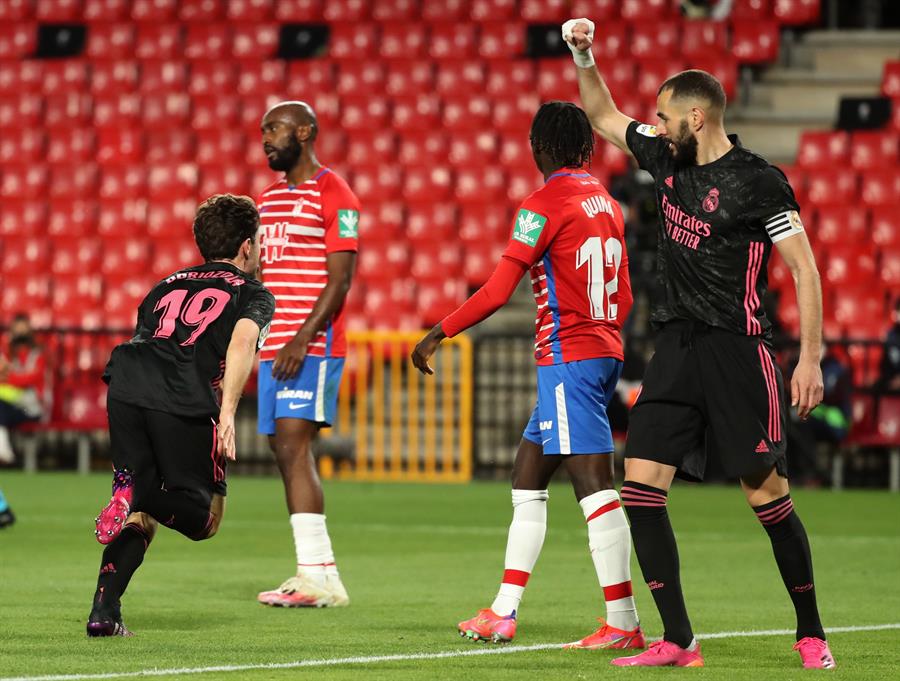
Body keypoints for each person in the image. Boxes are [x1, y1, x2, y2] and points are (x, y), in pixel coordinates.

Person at [561, 18, 834, 669]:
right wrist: (584, 53)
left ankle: (812, 629)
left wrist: (813, 357)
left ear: (695, 116)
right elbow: (601, 113)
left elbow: (804, 267)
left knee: (767, 497)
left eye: (662, 114)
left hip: (739, 352)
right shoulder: (665, 152)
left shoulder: (758, 181)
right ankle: (679, 639)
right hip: (677, 348)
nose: (652, 123)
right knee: (641, 488)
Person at [412, 101, 643, 650]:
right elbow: (626, 293)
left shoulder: (542, 204)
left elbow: (497, 290)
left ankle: (624, 622)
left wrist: (438, 332)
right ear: (587, 149)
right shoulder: (607, 204)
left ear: (539, 149)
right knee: (527, 478)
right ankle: (503, 609)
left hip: (569, 358)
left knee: (593, 487)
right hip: (600, 350)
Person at [86, 194, 275, 637]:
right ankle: (138, 492)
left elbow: (148, 340)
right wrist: (227, 412)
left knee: (136, 510)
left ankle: (104, 614)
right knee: (206, 520)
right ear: (247, 246)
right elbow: (243, 342)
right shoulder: (253, 293)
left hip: (126, 385)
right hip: (183, 396)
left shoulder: (164, 285)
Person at [254, 101, 358, 608]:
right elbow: (257, 279)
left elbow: (340, 282)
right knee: (283, 449)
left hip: (309, 347)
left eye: (274, 128)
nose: (266, 138)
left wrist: (301, 337)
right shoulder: (266, 201)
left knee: (294, 445)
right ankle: (321, 574)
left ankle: (315, 576)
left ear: (306, 132)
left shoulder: (334, 191)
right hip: (272, 346)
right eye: (263, 131)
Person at [0, 313, 47, 463]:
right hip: (10, 405)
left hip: (32, 408)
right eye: (17, 330)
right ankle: (4, 452)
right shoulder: (7, 353)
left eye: (23, 330)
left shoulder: (38, 354)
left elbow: (33, 378)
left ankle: (5, 452)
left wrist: (9, 379)